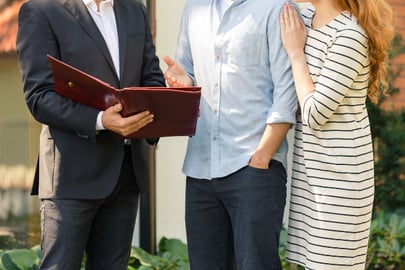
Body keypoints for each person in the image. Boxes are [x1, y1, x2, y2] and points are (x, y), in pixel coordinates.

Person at [16, 0, 165, 269]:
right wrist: (99, 121)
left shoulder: (134, 10)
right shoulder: (41, 10)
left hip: (126, 172)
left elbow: (151, 77)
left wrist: (160, 102)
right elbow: (39, 97)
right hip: (70, 176)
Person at [163, 0, 298, 269]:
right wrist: (184, 81)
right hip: (201, 169)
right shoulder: (194, 9)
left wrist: (261, 158)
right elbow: (189, 76)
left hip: (255, 168)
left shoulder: (277, 7)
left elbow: (287, 92)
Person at [280, 0, 394, 269]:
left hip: (340, 184)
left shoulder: (349, 36)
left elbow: (314, 114)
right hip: (311, 181)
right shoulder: (305, 19)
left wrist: (296, 53)